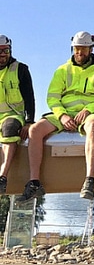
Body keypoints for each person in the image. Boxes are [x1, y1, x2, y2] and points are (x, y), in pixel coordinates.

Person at [18, 31, 94, 201]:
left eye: (83, 49)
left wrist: (89, 109)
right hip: (64, 113)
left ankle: (89, 180)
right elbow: (52, 98)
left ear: (91, 49)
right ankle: (34, 182)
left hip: (88, 113)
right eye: (77, 48)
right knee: (35, 130)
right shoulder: (62, 70)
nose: (79, 53)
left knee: (93, 127)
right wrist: (62, 116)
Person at [0, 34, 35, 195]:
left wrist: (29, 122)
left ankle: (2, 177)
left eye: (5, 50)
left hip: (12, 115)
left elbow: (29, 98)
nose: (2, 55)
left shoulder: (20, 69)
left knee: (9, 129)